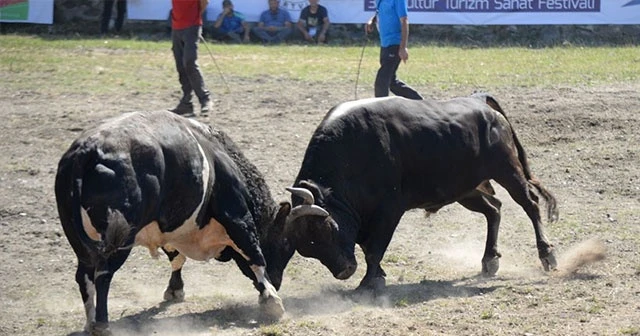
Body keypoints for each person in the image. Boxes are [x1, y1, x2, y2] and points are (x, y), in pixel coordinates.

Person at [365, 0, 423, 99]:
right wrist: (372, 20)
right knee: (391, 82)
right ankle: (419, 102)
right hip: (385, 44)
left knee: (382, 80)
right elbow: (381, 12)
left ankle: (380, 109)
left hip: (395, 43)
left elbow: (404, 21)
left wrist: (403, 47)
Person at [169, 0, 213, 117]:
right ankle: (186, 103)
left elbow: (204, 2)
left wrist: (195, 18)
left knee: (189, 62)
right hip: (176, 27)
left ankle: (205, 99)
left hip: (191, 26)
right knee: (180, 65)